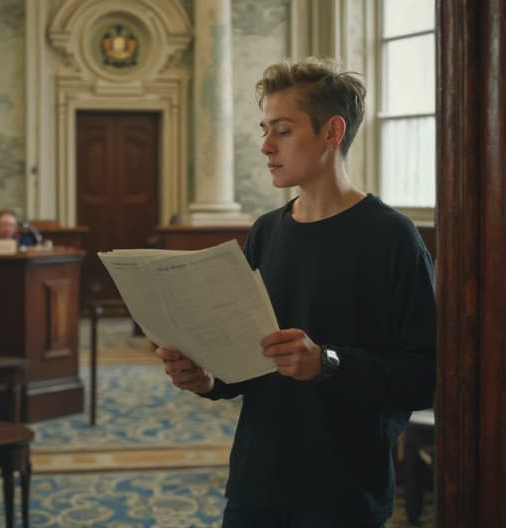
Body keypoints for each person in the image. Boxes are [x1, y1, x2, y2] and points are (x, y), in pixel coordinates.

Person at [156, 57, 437, 527]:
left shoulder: (393, 238)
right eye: (264, 129)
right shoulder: (267, 232)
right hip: (256, 483)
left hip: (343, 492)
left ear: (332, 132)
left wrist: (325, 362)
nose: (265, 146)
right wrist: (206, 378)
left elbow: (422, 376)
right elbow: (246, 359)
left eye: (282, 131)